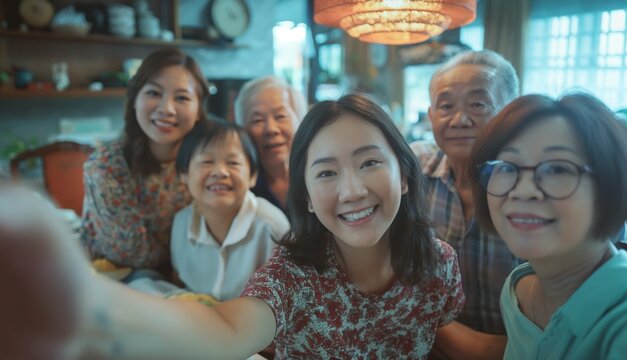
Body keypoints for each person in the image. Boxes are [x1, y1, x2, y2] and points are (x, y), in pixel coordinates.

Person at [0, 92, 464, 359]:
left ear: (404, 175)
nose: (351, 191)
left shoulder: (437, 262)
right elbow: (225, 329)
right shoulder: (291, 277)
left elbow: (438, 330)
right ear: (304, 193)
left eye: (369, 164)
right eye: (325, 172)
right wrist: (77, 302)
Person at [469, 93, 627, 358]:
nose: (523, 191)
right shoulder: (517, 291)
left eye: (557, 169)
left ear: (612, 184)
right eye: (506, 167)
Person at [410, 50, 522, 358]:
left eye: (478, 104)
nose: (460, 120)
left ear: (509, 111)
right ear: (431, 115)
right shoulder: (412, 170)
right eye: (446, 106)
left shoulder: (531, 189)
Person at [80, 47, 209, 272]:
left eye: (181, 97)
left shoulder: (209, 160)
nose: (166, 109)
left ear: (198, 109)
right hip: (114, 279)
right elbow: (130, 252)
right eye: (153, 93)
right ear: (134, 99)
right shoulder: (106, 166)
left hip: (190, 277)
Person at [166, 117, 289, 301]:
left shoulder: (270, 226)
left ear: (252, 176)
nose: (220, 172)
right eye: (206, 161)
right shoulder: (181, 222)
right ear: (184, 173)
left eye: (233, 163)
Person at [234, 76, 307, 213]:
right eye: (257, 120)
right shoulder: (240, 186)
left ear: (301, 120)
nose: (271, 129)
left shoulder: (319, 174)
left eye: (280, 116)